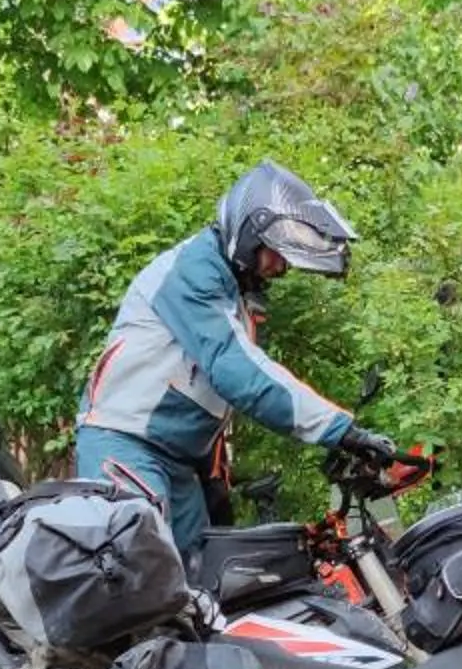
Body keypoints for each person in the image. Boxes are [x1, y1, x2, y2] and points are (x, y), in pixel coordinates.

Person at [76, 163, 394, 556]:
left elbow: (199, 393)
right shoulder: (194, 271)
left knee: (205, 587)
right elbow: (237, 373)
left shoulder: (234, 293)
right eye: (276, 253)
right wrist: (340, 430)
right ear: (247, 234)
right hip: (124, 444)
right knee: (142, 576)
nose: (282, 266)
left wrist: (214, 480)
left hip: (180, 463)